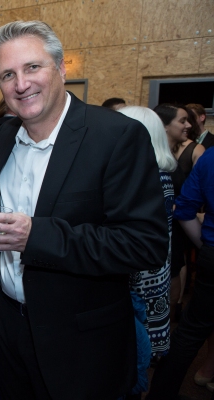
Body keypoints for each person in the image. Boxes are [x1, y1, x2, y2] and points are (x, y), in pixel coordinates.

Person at [0, 21, 168, 399]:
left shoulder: (115, 136)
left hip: (79, 346)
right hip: (2, 333)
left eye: (32, 68)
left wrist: (35, 236)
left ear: (60, 69)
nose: (20, 83)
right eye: (8, 74)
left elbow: (146, 244)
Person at [118, 106, 177, 398]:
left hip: (140, 280)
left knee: (132, 358)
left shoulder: (145, 179)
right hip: (155, 274)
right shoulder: (162, 174)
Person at [146, 147, 214, 399]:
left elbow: (183, 209)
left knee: (191, 330)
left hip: (212, 254)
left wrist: (205, 246)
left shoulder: (209, 158)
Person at [154, 103, 205, 323]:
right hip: (166, 230)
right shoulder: (156, 156)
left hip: (180, 228)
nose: (188, 125)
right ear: (164, 126)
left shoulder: (183, 151)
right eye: (182, 120)